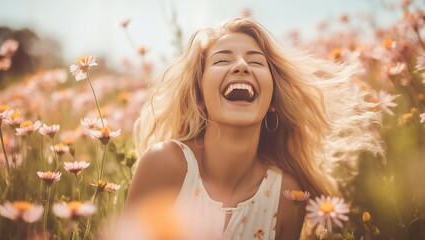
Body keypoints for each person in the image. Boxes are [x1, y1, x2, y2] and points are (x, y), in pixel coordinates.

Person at [125, 17, 381, 240]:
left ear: (272, 100)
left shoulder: (286, 195)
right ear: (199, 96)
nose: (241, 66)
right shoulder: (166, 164)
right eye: (222, 60)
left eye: (256, 62)